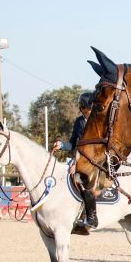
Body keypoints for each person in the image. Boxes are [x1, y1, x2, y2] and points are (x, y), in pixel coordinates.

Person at [53, 92, 97, 232]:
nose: (92, 110)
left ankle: (91, 217)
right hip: (79, 157)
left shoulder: (98, 121)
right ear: (82, 109)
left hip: (94, 158)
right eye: (89, 108)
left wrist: (77, 165)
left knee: (82, 180)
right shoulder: (79, 122)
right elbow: (73, 143)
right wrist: (62, 145)